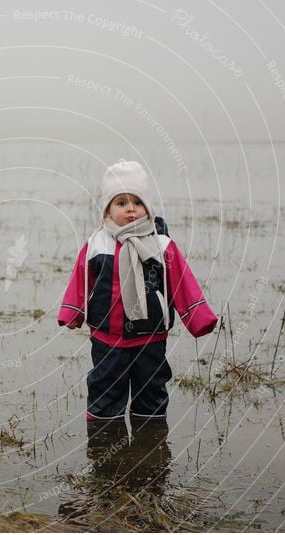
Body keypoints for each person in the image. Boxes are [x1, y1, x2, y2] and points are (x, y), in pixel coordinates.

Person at [58, 159, 218, 421]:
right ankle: (105, 443)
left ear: (148, 207)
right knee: (104, 391)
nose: (130, 209)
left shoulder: (162, 244)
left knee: (151, 391)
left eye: (137, 202)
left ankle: (151, 443)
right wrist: (72, 312)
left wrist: (198, 318)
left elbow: (182, 282)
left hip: (151, 336)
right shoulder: (97, 244)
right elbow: (80, 279)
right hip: (107, 335)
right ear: (108, 210)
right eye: (121, 203)